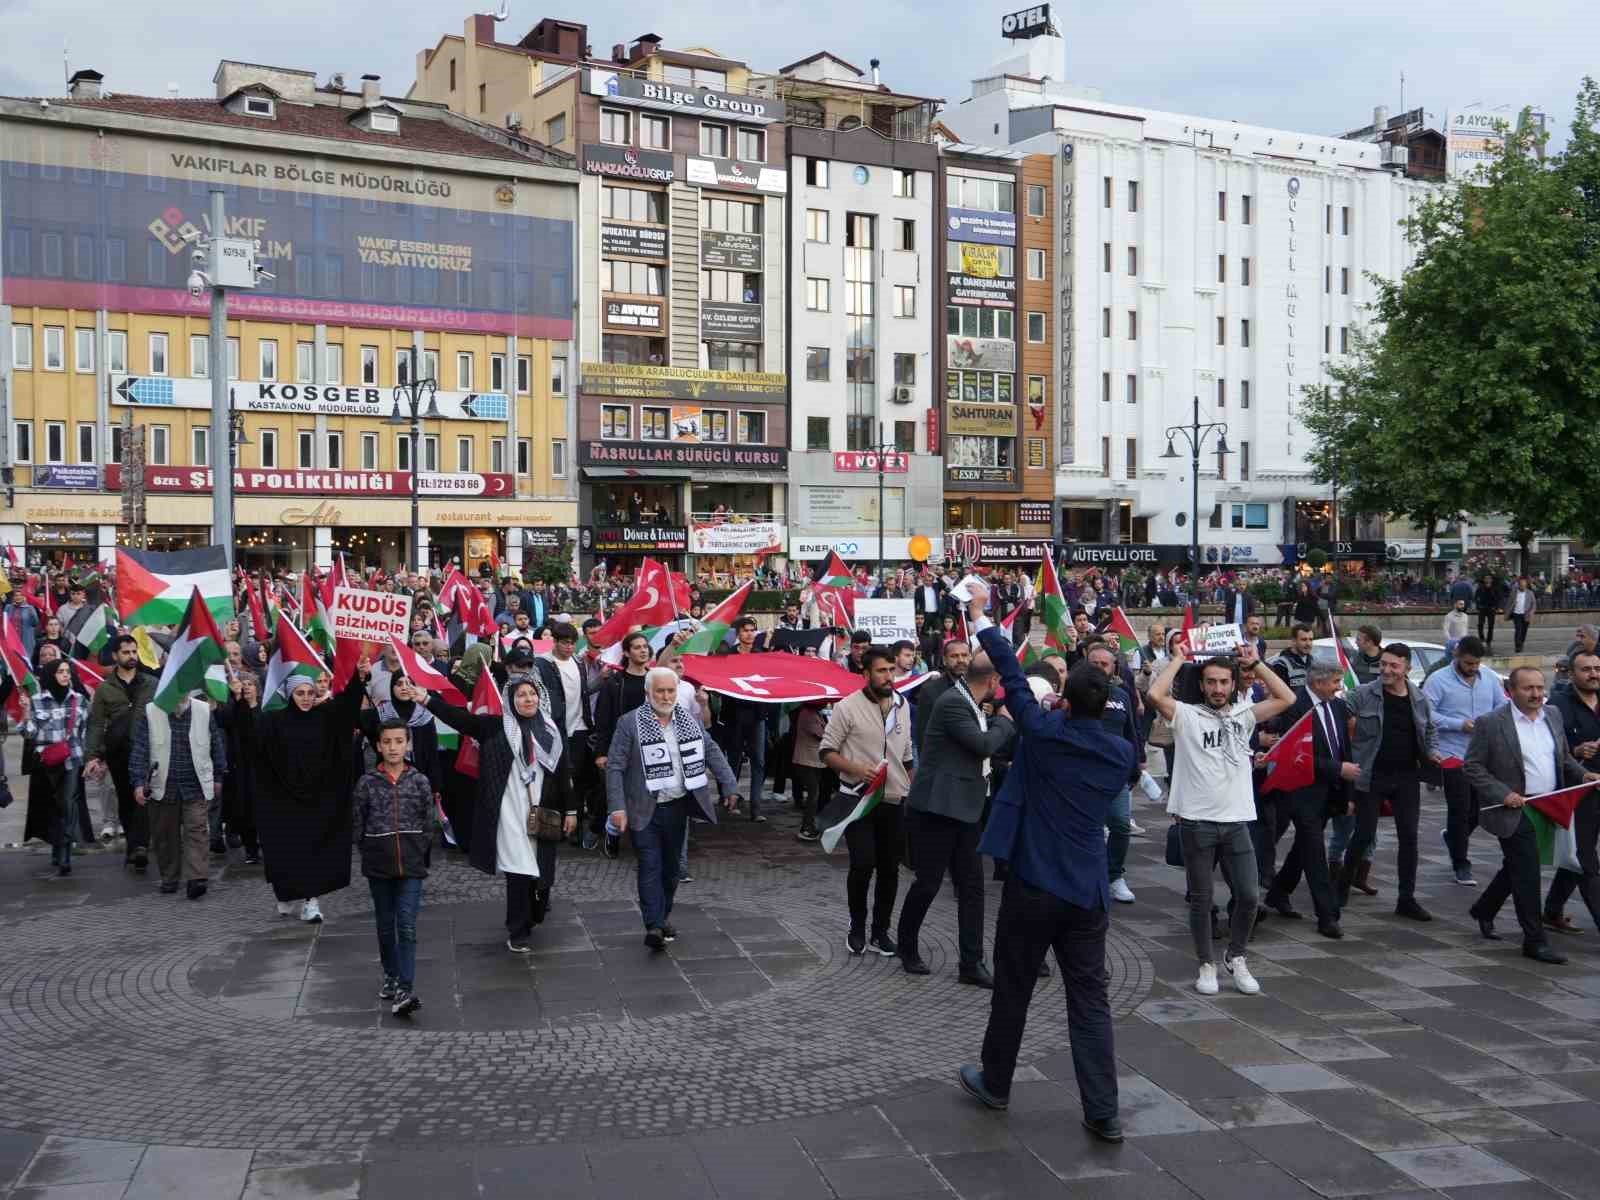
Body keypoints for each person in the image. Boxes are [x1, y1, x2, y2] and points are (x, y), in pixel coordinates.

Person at [957, 596, 1135, 1143]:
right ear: (1106, 705)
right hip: (1086, 889)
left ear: (1064, 701)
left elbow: (1011, 674)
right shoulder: (1119, 755)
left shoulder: (1042, 731)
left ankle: (996, 1081)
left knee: (1013, 986)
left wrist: (982, 617)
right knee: (1090, 1000)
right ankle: (1102, 1109)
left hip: (1034, 883)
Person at [1148, 636, 1295, 996]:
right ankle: (1206, 963)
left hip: (1236, 822)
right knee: (1201, 898)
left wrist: (1256, 663)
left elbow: (1287, 699)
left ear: (1233, 684)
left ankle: (1236, 955)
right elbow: (1155, 696)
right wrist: (1179, 659)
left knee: (1248, 896)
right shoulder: (1188, 714)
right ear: (1202, 684)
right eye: (1211, 682)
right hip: (1197, 822)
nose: (1217, 688)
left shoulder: (1244, 714)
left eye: (1224, 682)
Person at [425, 672, 576, 951]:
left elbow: (563, 771)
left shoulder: (551, 729)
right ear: (511, 699)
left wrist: (571, 810)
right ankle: (516, 930)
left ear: (539, 696)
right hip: (508, 810)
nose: (527, 699)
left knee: (541, 873)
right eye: (521, 695)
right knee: (518, 869)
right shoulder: (496, 727)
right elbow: (461, 720)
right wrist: (426, 699)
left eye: (531, 694)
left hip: (543, 808)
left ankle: (532, 914)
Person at [1465, 666, 1599, 963]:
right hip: (1517, 807)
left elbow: (1563, 758)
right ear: (1511, 691)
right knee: (1527, 873)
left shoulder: (1552, 715)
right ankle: (1534, 940)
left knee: (1520, 864)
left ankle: (1484, 909)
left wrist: (1584, 775)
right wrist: (1503, 793)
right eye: (1528, 688)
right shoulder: (1491, 723)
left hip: (1550, 804)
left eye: (1540, 688)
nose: (1536, 694)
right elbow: (1472, 766)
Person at [896, 653, 1014, 984]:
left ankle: (970, 964)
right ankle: (907, 946)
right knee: (928, 883)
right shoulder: (953, 703)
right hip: (937, 809)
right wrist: (1006, 720)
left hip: (965, 808)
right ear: (991, 681)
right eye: (999, 683)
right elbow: (983, 744)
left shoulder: (968, 700)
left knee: (973, 887)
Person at [605, 666, 737, 950]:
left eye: (670, 691)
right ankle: (653, 925)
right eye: (660, 691)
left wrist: (729, 783)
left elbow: (710, 748)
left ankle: (661, 917)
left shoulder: (689, 718)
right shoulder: (629, 723)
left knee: (671, 871)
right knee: (649, 866)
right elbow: (614, 767)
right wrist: (617, 807)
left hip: (677, 805)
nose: (665, 696)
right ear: (647, 693)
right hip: (643, 808)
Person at [238, 670, 366, 923]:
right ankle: (286, 892)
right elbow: (249, 738)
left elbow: (348, 708)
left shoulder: (325, 717)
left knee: (315, 851)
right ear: (289, 695)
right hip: (282, 799)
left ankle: (311, 901)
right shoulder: (273, 721)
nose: (306, 698)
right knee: (286, 850)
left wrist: (358, 678)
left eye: (310, 693)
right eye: (300, 693)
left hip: (318, 798)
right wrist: (240, 701)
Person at [820, 646, 915, 957]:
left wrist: (911, 788)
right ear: (866, 674)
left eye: (891, 670)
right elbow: (827, 751)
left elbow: (907, 756)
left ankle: (880, 931)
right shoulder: (847, 707)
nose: (889, 676)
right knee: (863, 865)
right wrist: (856, 769)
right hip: (858, 800)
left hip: (893, 801)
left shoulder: (903, 706)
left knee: (890, 869)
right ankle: (857, 927)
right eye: (881, 671)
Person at [1340, 643, 1444, 919]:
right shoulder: (1363, 694)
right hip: (1372, 775)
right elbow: (1337, 714)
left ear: (1407, 669)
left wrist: (1433, 752)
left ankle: (1406, 898)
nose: (1386, 670)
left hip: (1407, 777)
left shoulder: (1419, 698)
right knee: (1364, 834)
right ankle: (1340, 889)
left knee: (1409, 837)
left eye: (1393, 666)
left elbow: (1430, 729)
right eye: (1383, 664)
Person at [1261, 663, 1359, 938]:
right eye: (1336, 682)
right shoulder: (1294, 705)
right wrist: (1337, 769)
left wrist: (1348, 792)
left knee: (1304, 846)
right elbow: (1293, 754)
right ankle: (1327, 915)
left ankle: (1279, 892)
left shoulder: (1338, 707)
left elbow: (1344, 749)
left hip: (1330, 791)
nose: (1340, 688)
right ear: (1318, 683)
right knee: (1315, 850)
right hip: (1299, 791)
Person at [350, 719, 434, 1015]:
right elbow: (357, 822)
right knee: (386, 925)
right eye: (387, 742)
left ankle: (404, 987)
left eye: (399, 741)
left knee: (407, 925)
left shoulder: (419, 780)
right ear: (378, 746)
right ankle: (390, 973)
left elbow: (428, 820)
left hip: (411, 865)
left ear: (407, 744)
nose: (393, 747)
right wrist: (370, 849)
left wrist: (418, 849)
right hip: (379, 865)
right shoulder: (367, 782)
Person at [128, 687, 227, 899]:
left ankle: (197, 878)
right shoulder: (151, 711)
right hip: (163, 785)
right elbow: (140, 750)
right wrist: (138, 782)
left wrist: (218, 775)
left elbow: (216, 744)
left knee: (197, 831)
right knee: (165, 836)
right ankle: (170, 877)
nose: (180, 695)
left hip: (195, 783)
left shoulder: (203, 710)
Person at [1421, 637, 1505, 886]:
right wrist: (1459, 724)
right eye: (1469, 663)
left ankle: (1453, 837)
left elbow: (1502, 705)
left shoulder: (1489, 677)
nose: (1473, 668)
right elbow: (1425, 714)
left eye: (1477, 663)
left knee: (1480, 810)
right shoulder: (1438, 680)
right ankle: (1461, 863)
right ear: (1457, 655)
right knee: (1459, 809)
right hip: (1452, 754)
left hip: (1482, 755)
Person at [84, 634, 156, 875]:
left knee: (143, 795)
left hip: (147, 749)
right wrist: (93, 756)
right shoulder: (105, 688)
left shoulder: (150, 683)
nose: (132, 656)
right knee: (126, 799)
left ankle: (141, 847)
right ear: (115, 656)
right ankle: (135, 846)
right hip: (118, 752)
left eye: (134, 652)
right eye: (126, 652)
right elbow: (95, 724)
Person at [1543, 650, 1600, 935]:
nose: (1593, 674)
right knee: (1586, 858)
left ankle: (1551, 911)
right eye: (1586, 669)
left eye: (1597, 668)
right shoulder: (1558, 704)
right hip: (1579, 790)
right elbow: (1549, 747)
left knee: (1576, 858)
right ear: (1571, 673)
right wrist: (1576, 750)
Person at [1084, 642, 1143, 904]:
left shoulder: (1121, 695)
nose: (1098, 668)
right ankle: (1088, 877)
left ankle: (1115, 875)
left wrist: (1136, 765)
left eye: (1103, 664)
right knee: (1089, 828)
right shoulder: (1076, 694)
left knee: (1120, 824)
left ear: (1113, 667)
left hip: (1116, 774)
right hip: (1085, 775)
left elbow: (1131, 730)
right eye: (1093, 663)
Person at [18, 659, 88, 877]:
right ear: (50, 675)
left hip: (71, 760)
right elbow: (28, 733)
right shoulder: (38, 701)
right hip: (46, 762)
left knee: (68, 803)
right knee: (54, 807)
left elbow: (84, 732)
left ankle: (66, 850)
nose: (65, 675)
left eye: (68, 671)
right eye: (60, 672)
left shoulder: (79, 700)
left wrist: (92, 759)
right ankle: (57, 847)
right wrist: (26, 712)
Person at [592, 630, 653, 857]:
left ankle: (644, 839)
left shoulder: (656, 679)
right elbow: (603, 720)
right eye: (637, 647)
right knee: (620, 795)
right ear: (626, 652)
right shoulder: (614, 683)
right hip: (621, 748)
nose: (642, 650)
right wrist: (601, 752)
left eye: (645, 646)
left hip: (650, 748)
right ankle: (612, 832)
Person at [536, 622, 598, 847]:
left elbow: (584, 692)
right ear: (555, 641)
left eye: (573, 643)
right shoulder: (543, 664)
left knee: (579, 779)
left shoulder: (578, 662)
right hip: (556, 729)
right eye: (564, 643)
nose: (569, 648)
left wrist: (601, 680)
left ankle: (576, 826)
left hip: (580, 727)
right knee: (558, 777)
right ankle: (556, 824)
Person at [714, 616, 769, 821]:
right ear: (738, 633)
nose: (749, 634)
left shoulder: (761, 656)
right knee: (734, 760)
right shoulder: (728, 656)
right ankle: (731, 799)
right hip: (734, 715)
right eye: (745, 630)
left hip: (757, 715)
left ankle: (756, 807)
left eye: (752, 630)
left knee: (759, 761)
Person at [912, 637, 971, 752]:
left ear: (970, 657)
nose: (960, 660)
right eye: (954, 656)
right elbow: (923, 732)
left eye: (964, 655)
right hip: (943, 759)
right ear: (944, 660)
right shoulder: (930, 690)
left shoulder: (979, 687)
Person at [791, 701, 830, 842]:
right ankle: (806, 827)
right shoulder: (807, 714)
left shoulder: (815, 713)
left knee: (815, 794)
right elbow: (822, 735)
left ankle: (809, 825)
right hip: (806, 761)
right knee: (813, 795)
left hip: (814, 761)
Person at [1270, 622, 1317, 692]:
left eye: (1310, 639)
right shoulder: (1281, 665)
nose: (1308, 644)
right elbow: (1280, 694)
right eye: (1304, 639)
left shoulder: (1314, 662)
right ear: (1293, 641)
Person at [1507, 575, 1537, 653]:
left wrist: (1531, 612)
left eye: (1524, 585)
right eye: (1521, 585)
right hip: (1516, 614)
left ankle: (1521, 643)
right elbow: (1509, 602)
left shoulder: (1530, 593)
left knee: (1524, 630)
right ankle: (1517, 646)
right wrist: (1507, 611)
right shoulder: (1514, 592)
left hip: (1526, 614)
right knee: (1518, 629)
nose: (1522, 586)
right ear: (1519, 585)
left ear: (1526, 585)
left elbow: (1534, 604)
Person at [1473, 574, 1501, 650]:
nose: (1488, 580)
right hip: (1482, 608)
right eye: (1486, 578)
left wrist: (1496, 607)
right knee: (1480, 624)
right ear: (1484, 580)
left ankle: (1489, 640)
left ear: (1491, 580)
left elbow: (1498, 598)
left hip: (1491, 609)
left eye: (1489, 578)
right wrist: (1478, 605)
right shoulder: (1480, 588)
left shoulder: (1495, 588)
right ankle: (1481, 638)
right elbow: (1476, 597)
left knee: (1491, 625)